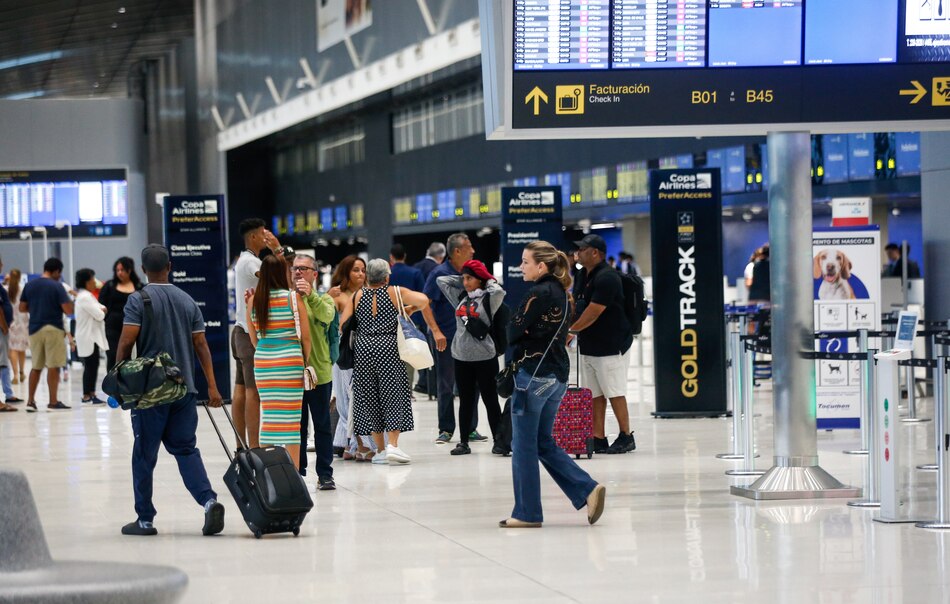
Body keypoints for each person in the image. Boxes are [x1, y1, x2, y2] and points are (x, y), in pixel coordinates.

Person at [116, 245, 225, 537]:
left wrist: (120, 381)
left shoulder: (138, 300)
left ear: (142, 269)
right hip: (184, 390)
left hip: (151, 393)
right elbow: (202, 345)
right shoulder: (187, 300)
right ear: (170, 266)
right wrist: (212, 386)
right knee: (186, 449)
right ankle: (208, 501)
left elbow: (126, 344)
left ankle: (145, 519)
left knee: (144, 453)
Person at [501, 240, 606, 528]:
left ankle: (527, 512)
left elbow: (512, 332)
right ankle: (587, 488)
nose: (521, 266)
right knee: (542, 441)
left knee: (523, 444)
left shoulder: (537, 293)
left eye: (525, 261)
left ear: (541, 266)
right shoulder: (561, 293)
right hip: (557, 376)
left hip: (532, 376)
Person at [340, 259, 430, 465]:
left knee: (370, 398)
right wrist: (409, 310)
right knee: (393, 394)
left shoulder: (357, 296)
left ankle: (380, 450)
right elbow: (424, 300)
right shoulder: (395, 292)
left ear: (368, 277)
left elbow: (343, 324)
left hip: (363, 350)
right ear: (387, 276)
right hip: (388, 347)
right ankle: (393, 446)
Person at [570, 234, 636, 455]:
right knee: (594, 393)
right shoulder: (582, 274)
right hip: (590, 344)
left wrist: (572, 331)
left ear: (595, 253)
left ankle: (626, 436)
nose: (577, 253)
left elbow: (593, 311)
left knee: (614, 390)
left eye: (582, 249)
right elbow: (579, 305)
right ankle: (598, 437)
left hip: (611, 344)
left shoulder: (608, 277)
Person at [246, 253, 310, 470]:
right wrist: (304, 359)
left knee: (270, 418)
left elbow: (254, 338)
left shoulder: (254, 300)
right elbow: (307, 337)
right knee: (292, 421)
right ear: (282, 273)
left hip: (264, 361)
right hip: (290, 359)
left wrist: (267, 352)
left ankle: (270, 474)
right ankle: (293, 476)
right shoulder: (292, 298)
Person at [436, 259, 505, 456]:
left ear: (480, 279)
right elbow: (441, 281)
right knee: (465, 401)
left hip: (485, 357)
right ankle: (463, 442)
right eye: (464, 278)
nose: (466, 282)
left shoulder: (490, 299)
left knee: (490, 400)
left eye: (470, 278)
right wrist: (462, 278)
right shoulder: (460, 297)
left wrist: (488, 280)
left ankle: (499, 440)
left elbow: (499, 291)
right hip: (461, 357)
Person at [423, 233, 485, 445]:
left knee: (473, 383)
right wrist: (436, 331)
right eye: (469, 247)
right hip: (447, 337)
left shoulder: (473, 272)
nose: (473, 250)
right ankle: (446, 429)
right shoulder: (439, 274)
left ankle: (471, 428)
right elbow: (425, 303)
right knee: (446, 384)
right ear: (457, 251)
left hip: (471, 337)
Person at [292, 253, 337, 490]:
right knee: (296, 426)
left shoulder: (324, 300)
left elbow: (327, 316)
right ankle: (298, 471)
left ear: (314, 274)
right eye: (295, 268)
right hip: (292, 372)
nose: (298, 272)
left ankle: (325, 473)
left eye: (303, 268)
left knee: (321, 425)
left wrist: (310, 296)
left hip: (319, 372)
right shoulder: (287, 299)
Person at [328, 255, 376, 460]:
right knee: (350, 400)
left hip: (361, 353)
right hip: (345, 354)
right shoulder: (338, 296)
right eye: (356, 270)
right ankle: (361, 445)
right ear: (346, 272)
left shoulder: (366, 293)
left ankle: (351, 446)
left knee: (355, 399)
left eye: (363, 270)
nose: (361, 274)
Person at [231, 218, 271, 450]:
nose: (266, 236)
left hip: (239, 331)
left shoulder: (244, 260)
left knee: (240, 389)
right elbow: (270, 278)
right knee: (252, 392)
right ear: (254, 237)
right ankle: (254, 446)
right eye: (263, 233)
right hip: (248, 333)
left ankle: (240, 445)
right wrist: (278, 249)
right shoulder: (250, 262)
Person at [20, 258, 74, 412]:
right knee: (54, 365)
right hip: (53, 328)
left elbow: (22, 308)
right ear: (56, 271)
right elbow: (68, 311)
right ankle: (53, 401)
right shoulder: (57, 286)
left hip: (35, 329)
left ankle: (30, 401)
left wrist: (36, 308)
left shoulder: (29, 285)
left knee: (36, 366)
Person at [389, 243, 426, 387]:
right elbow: (423, 296)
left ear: (391, 257)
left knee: (393, 356)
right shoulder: (415, 273)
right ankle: (407, 388)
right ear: (404, 256)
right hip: (411, 319)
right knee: (409, 354)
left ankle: (394, 387)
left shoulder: (388, 275)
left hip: (390, 320)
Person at [98, 257, 143, 371]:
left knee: (129, 356)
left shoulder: (139, 287)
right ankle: (112, 384)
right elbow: (101, 304)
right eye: (117, 270)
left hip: (132, 327)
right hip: (112, 327)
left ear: (130, 270)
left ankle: (127, 384)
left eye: (122, 270)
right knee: (112, 356)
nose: (119, 273)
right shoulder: (110, 285)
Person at [412, 241, 445, 396]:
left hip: (413, 314)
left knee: (419, 352)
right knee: (435, 354)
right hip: (431, 316)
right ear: (441, 256)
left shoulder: (415, 267)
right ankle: (433, 387)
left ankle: (423, 383)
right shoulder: (439, 270)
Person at [73, 268, 108, 404]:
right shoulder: (85, 297)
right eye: (93, 279)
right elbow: (100, 314)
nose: (95, 282)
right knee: (90, 366)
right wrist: (102, 311)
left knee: (92, 365)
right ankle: (88, 395)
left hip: (90, 337)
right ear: (87, 282)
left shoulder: (87, 295)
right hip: (88, 336)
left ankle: (90, 393)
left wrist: (101, 309)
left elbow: (101, 307)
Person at [0, 257, 18, 411]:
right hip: (1, 329)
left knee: (3, 363)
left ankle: (8, 393)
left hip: (3, 328)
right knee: (1, 363)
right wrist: (4, 327)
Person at [7, 268, 28, 385]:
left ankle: (14, 374)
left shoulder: (6, 289)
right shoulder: (23, 289)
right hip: (23, 322)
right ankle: (21, 372)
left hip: (11, 322)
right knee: (22, 349)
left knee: (13, 349)